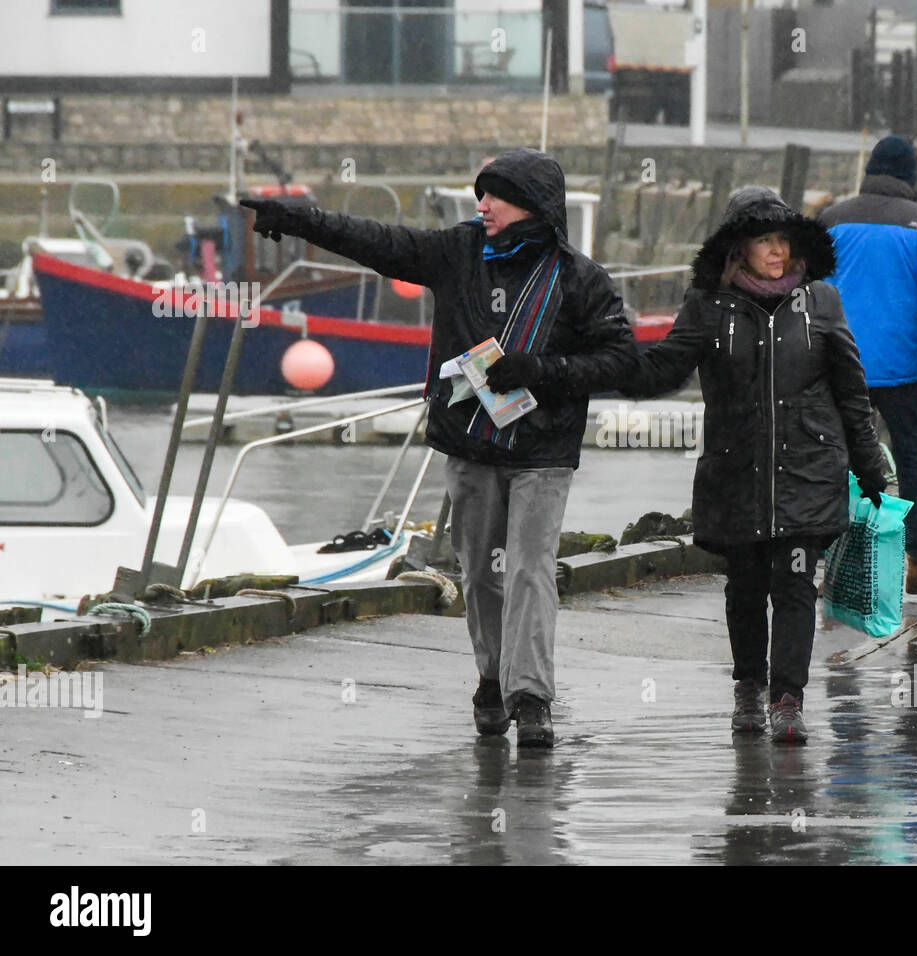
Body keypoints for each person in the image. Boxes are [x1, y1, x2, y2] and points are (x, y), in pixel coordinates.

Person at [241, 149, 638, 748]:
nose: (482, 206)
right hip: (472, 445)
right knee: (480, 572)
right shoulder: (456, 253)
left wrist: (539, 370)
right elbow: (375, 240)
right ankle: (491, 678)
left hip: (544, 454)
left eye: (494, 196)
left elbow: (618, 358)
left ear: (531, 203)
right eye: (479, 195)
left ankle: (531, 698)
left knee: (531, 571)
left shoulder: (581, 279)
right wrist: (299, 220)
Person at [622, 187, 890, 744]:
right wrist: (597, 356)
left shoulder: (821, 303)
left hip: (809, 471)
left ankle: (788, 699)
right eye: (764, 240)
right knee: (744, 587)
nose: (777, 251)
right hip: (735, 470)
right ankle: (749, 686)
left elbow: (851, 390)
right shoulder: (706, 307)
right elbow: (660, 372)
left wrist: (869, 467)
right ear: (738, 248)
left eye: (784, 240)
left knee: (795, 585)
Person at [819, 134, 917, 595]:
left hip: (842, 366)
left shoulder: (831, 220)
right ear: (910, 177)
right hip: (901, 367)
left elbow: (813, 296)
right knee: (912, 453)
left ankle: (840, 560)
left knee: (841, 460)